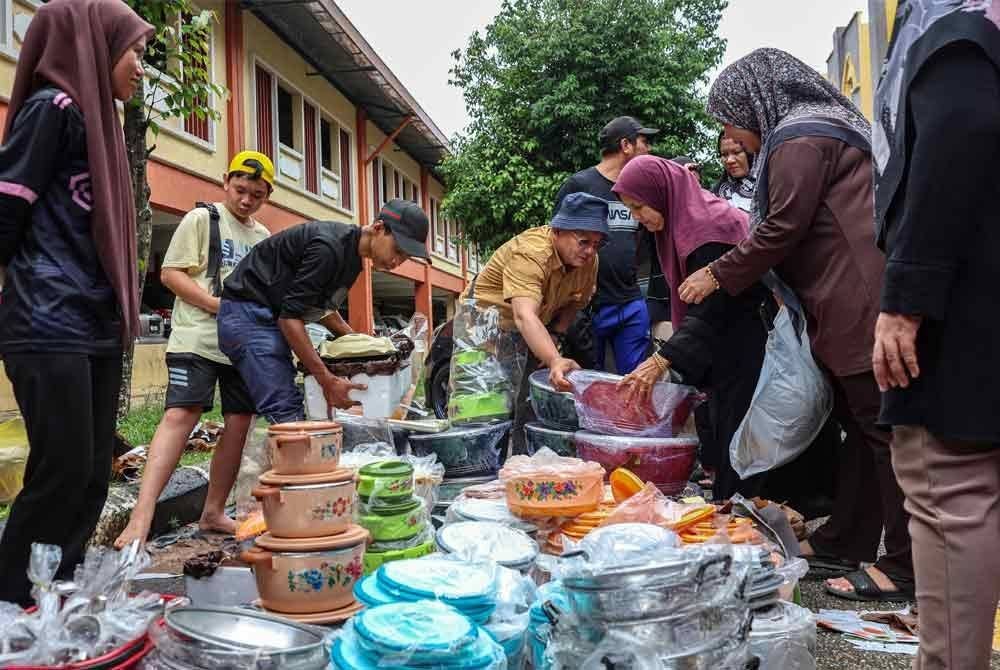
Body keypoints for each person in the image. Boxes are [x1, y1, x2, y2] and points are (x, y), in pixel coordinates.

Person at [680, 47, 914, 601]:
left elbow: (783, 225)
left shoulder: (800, 136)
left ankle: (906, 567)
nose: (733, 136)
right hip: (846, 297)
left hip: (858, 298)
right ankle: (845, 538)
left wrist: (717, 273)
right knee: (862, 428)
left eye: (730, 121)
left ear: (753, 103)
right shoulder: (816, 128)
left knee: (885, 433)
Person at [0, 0, 153, 606]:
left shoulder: (100, 122)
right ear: (94, 44)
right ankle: (11, 602)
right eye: (134, 50)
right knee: (60, 470)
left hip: (92, 322)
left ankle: (55, 596)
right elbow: (6, 210)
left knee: (91, 474)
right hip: (47, 318)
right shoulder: (52, 110)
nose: (140, 66)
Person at [871, 2, 1000, 667]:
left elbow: (960, 125)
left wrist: (906, 299)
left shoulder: (960, 31)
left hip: (965, 314)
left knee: (949, 485)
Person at [114, 151, 274, 549]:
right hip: (197, 339)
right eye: (240, 190)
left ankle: (213, 511)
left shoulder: (264, 237)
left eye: (256, 195)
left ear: (267, 196)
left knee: (239, 423)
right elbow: (171, 275)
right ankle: (141, 516)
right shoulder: (203, 219)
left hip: (242, 346)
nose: (246, 200)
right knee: (181, 415)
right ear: (226, 183)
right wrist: (219, 306)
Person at [611, 156, 774, 500]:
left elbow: (714, 309)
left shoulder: (709, 229)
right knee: (726, 434)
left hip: (749, 343)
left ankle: (744, 516)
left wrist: (660, 360)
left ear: (660, 193)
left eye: (638, 207)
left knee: (741, 437)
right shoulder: (683, 226)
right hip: (728, 345)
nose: (637, 217)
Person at [217, 199, 430, 425]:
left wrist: (362, 345)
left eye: (405, 257)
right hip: (248, 314)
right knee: (287, 410)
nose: (397, 261)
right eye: (397, 250)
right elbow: (289, 319)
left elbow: (322, 307)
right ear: (378, 228)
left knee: (239, 420)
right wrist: (327, 380)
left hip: (259, 314)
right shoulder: (329, 248)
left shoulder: (353, 256)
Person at [461, 192, 605, 455]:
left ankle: (521, 465)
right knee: (486, 407)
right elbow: (524, 315)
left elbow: (577, 302)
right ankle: (479, 468)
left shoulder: (589, 261)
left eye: (597, 244)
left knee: (529, 402)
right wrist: (554, 359)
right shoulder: (531, 252)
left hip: (532, 327)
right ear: (558, 231)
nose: (590, 251)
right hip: (484, 327)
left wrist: (556, 337)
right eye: (584, 241)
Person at [554, 116, 657, 375]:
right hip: (589, 306)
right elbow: (555, 240)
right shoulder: (579, 185)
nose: (649, 149)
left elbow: (643, 239)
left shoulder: (639, 190)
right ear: (626, 145)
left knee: (635, 381)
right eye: (644, 141)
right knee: (591, 383)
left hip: (631, 300)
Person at [712, 131, 756, 213]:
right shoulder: (715, 195)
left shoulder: (770, 185)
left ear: (750, 153)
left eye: (737, 152)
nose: (729, 160)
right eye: (724, 155)